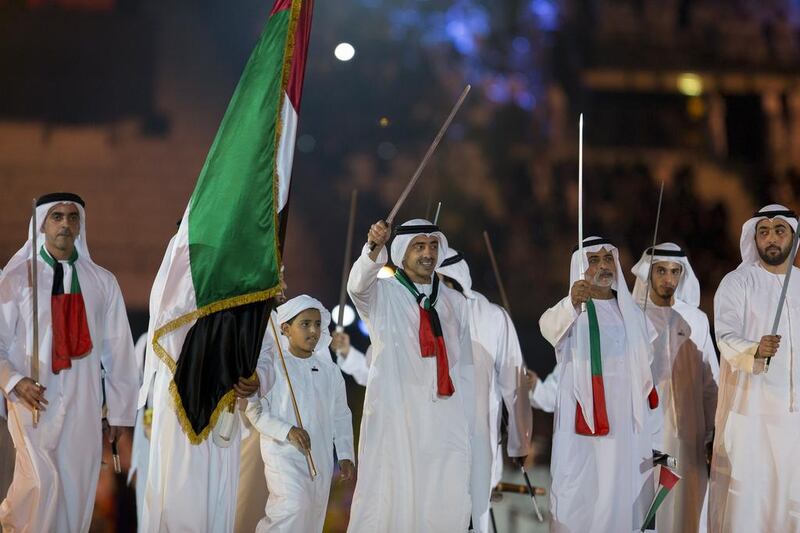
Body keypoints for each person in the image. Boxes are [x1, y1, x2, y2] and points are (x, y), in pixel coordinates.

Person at [0, 193, 139, 531]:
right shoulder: (16, 280)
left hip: (84, 404)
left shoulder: (102, 282)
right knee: (39, 484)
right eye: (57, 216)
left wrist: (119, 413)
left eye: (72, 217)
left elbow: (118, 352)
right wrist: (14, 381)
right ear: (42, 224)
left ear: (80, 226)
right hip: (32, 400)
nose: (65, 223)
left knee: (76, 489)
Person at [346, 219, 475, 532]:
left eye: (433, 246)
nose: (427, 253)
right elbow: (357, 285)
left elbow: (464, 366)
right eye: (419, 246)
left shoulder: (455, 302)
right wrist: (375, 246)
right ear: (402, 252)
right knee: (391, 497)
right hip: (396, 416)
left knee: (443, 495)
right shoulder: (381, 294)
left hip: (443, 419)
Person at [139, 242, 275, 533]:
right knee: (177, 496)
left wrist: (259, 377)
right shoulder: (174, 297)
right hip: (178, 416)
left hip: (224, 417)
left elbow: (266, 352)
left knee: (219, 498)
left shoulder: (245, 303)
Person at [539, 236, 660, 532]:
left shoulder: (633, 314)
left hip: (627, 431)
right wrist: (571, 302)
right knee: (582, 497)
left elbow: (646, 375)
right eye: (594, 260)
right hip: (584, 428)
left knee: (622, 496)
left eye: (608, 259)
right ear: (580, 267)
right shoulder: (572, 310)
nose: (603, 266)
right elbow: (547, 327)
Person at [710, 204, 800, 533]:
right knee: (750, 508)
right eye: (763, 232)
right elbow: (725, 335)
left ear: (793, 237)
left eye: (780, 231)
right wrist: (755, 349)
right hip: (751, 419)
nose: (772, 238)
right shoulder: (738, 283)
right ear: (754, 238)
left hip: (796, 424)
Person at [437, 247, 533, 532]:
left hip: (478, 443)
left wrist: (520, 441)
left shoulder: (493, 317)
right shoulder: (422, 316)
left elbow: (514, 383)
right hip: (433, 445)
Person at [245, 295, 354, 532]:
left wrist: (345, 454)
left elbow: (341, 415)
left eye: (317, 324)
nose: (313, 330)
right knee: (292, 509)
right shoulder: (270, 367)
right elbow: (255, 412)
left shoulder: (330, 371)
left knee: (312, 517)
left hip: (321, 458)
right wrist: (288, 431)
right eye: (305, 324)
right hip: (283, 455)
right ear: (285, 328)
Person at [631, 242, 719, 533]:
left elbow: (710, 384)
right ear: (648, 273)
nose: (668, 278)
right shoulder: (632, 318)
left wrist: (712, 434)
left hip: (690, 439)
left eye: (674, 272)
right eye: (660, 271)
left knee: (688, 515)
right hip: (645, 440)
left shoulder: (696, 319)